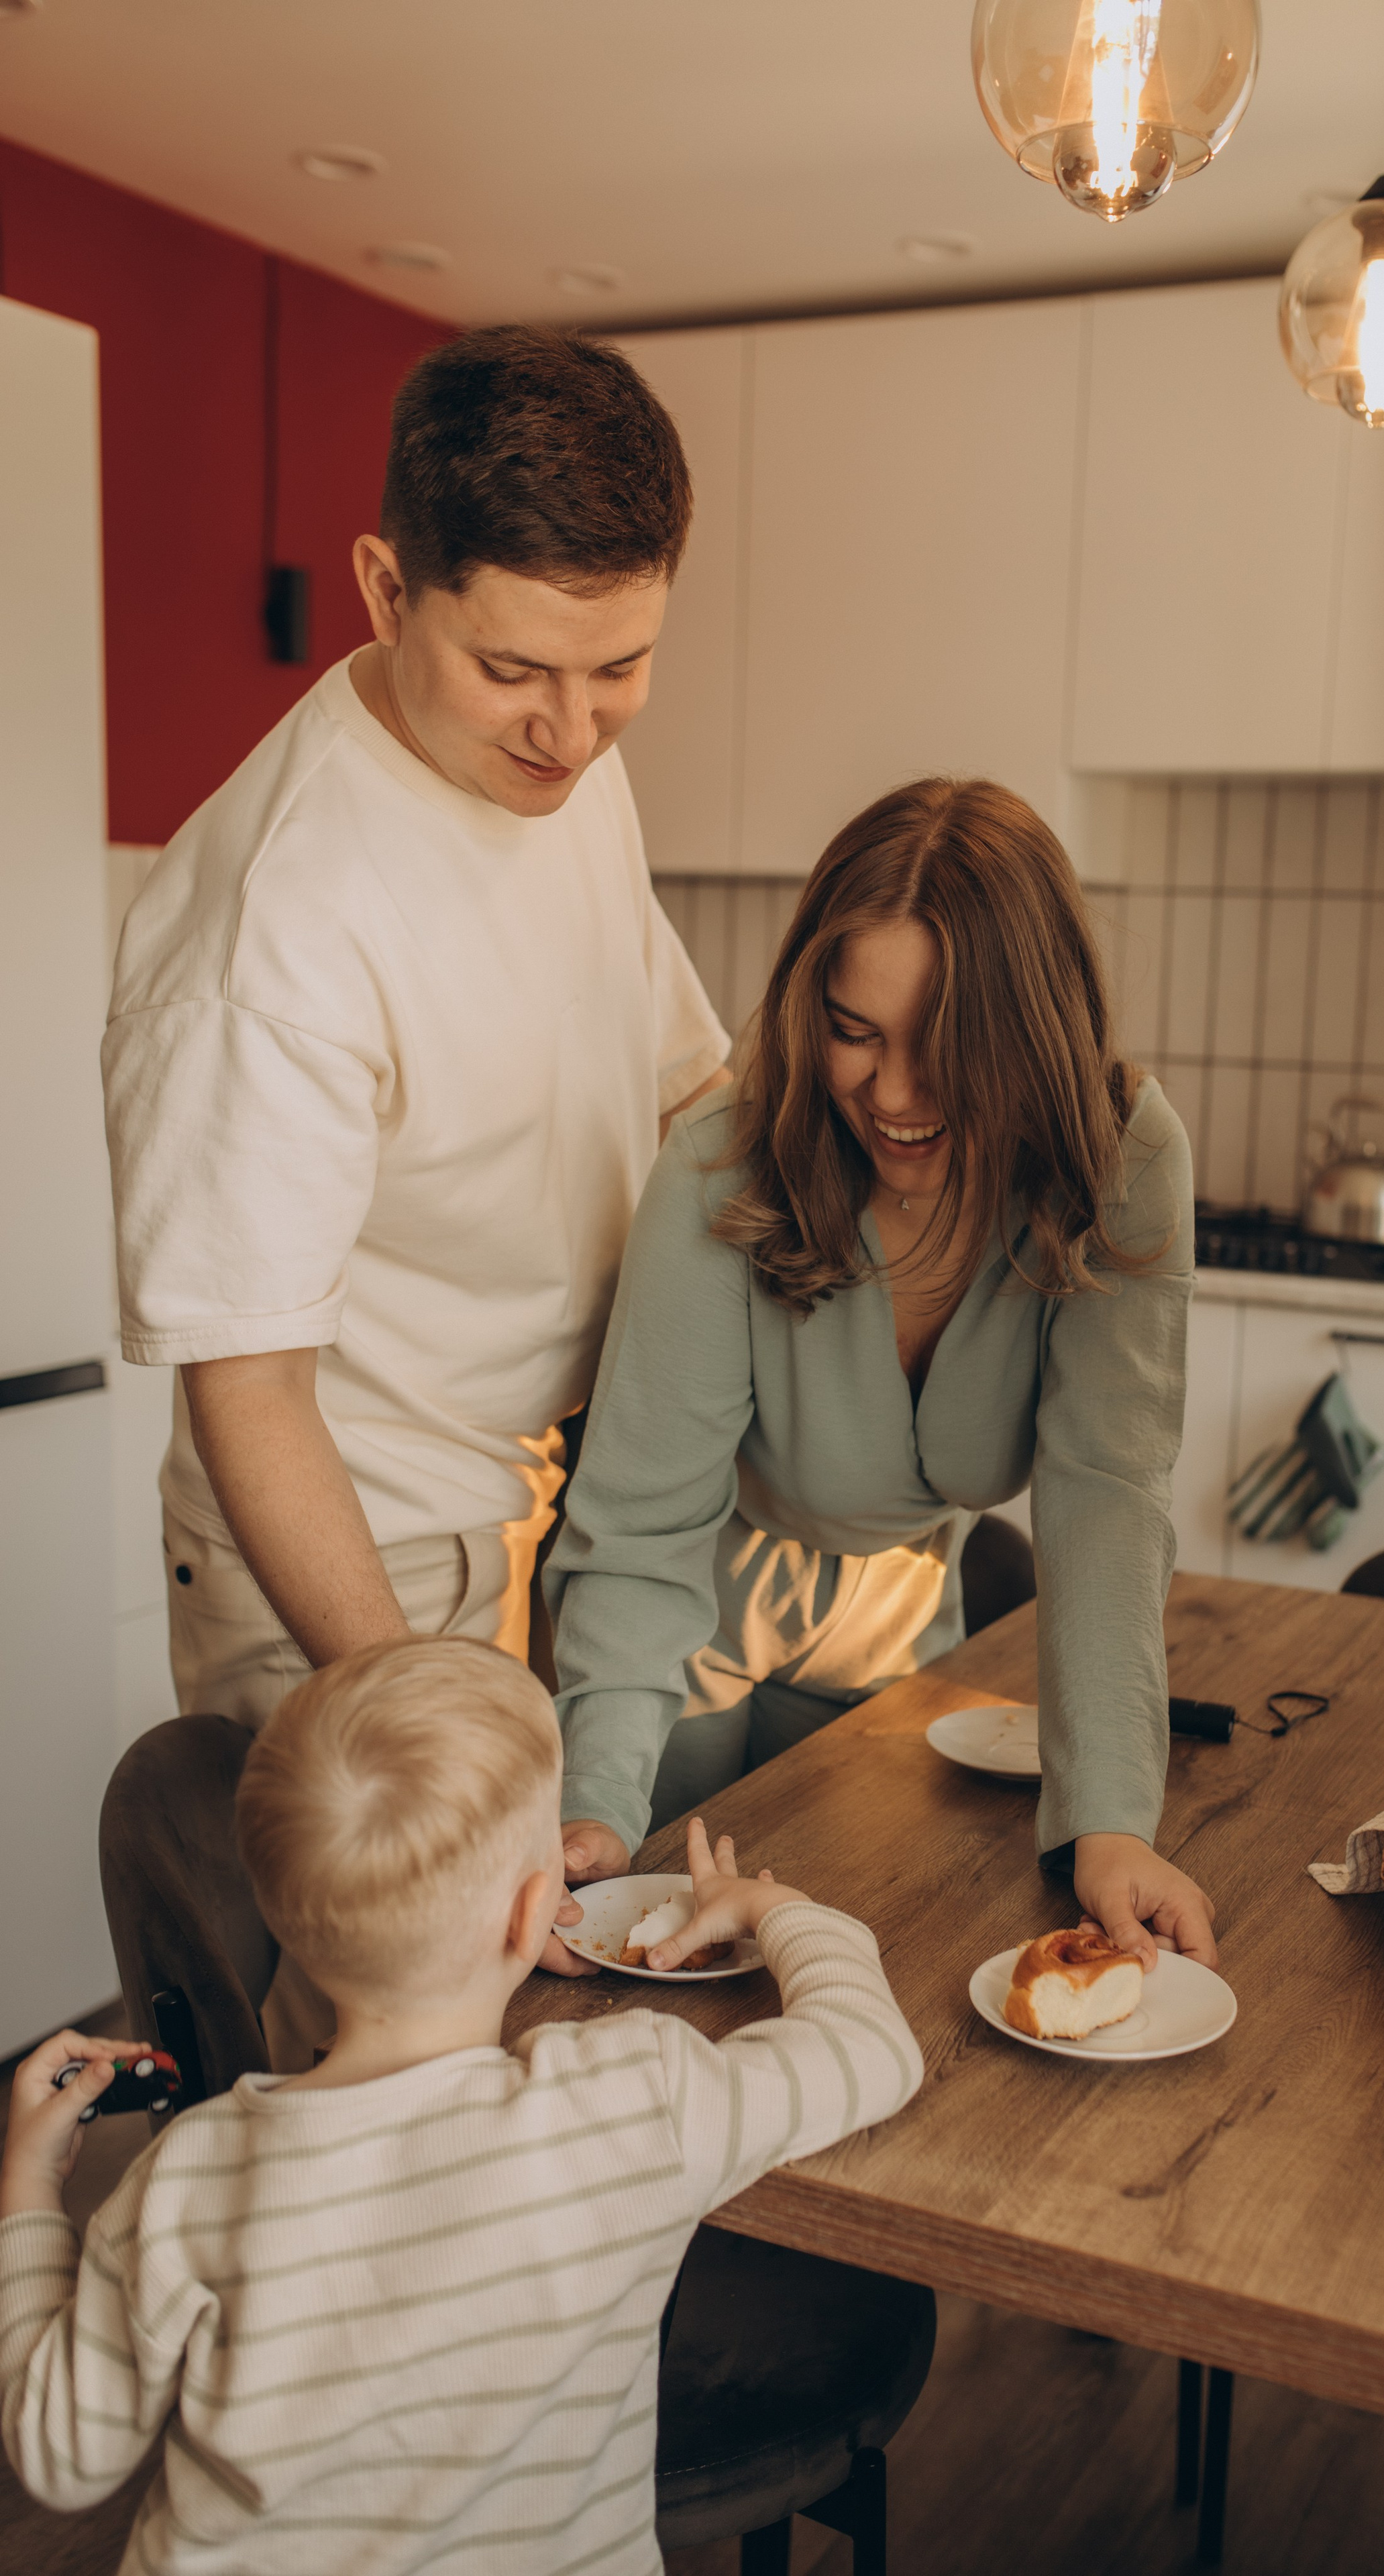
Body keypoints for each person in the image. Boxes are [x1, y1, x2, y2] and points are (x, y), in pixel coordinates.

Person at [99, 326, 730, 2086]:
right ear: (386, 587)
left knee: (535, 2041)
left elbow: (686, 1078)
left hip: (534, 1502)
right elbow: (251, 1392)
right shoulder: (276, 929)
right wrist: (426, 1708)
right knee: (374, 2084)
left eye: (625, 668)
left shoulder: (568, 764)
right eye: (520, 669)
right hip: (346, 1555)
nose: (575, 726)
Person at [1, 1639, 921, 2576]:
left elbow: (62, 2456)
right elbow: (872, 2053)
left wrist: (30, 2190)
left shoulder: (187, 2179)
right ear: (536, 1916)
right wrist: (776, 1911)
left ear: (283, 1923)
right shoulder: (632, 2102)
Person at [548, 777, 1218, 1966]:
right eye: (857, 1033)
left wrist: (1111, 1822)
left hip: (905, 1608)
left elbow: (1107, 1504)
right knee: (658, 1947)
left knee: (867, 1938)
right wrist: (595, 1806)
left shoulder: (1125, 1164)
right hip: (690, 1615)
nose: (897, 1097)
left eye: (948, 1051)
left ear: (1037, 1036)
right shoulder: (724, 1169)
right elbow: (644, 1529)